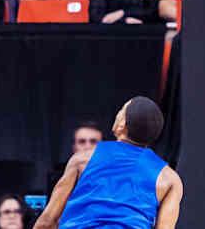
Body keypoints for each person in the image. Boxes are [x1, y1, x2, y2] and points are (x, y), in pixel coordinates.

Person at [34, 97, 183, 229]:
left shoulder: (83, 160)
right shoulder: (169, 179)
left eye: (121, 110)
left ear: (122, 124)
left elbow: (47, 221)